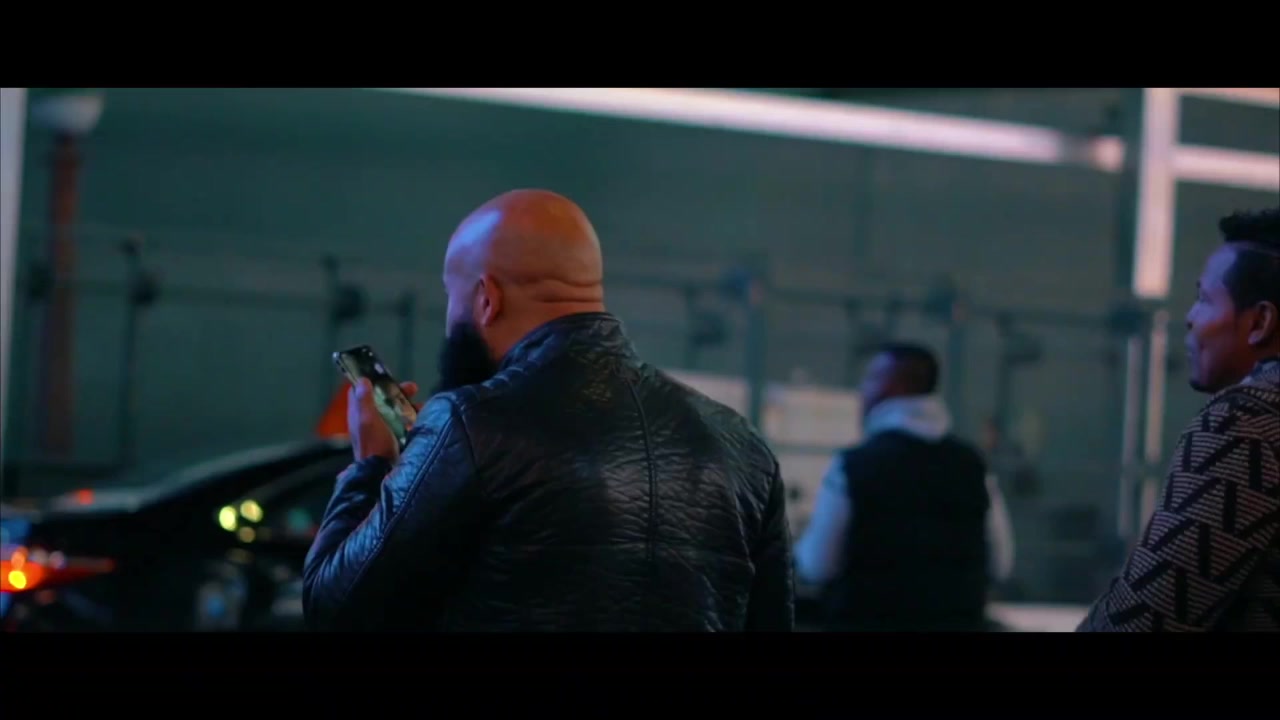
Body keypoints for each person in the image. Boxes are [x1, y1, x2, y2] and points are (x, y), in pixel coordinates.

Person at [302, 189, 794, 631]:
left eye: (454, 298)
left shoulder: (470, 423)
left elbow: (334, 606)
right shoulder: (742, 445)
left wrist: (370, 466)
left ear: (486, 300)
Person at [1079, 208, 1280, 632]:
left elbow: (1146, 620)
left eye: (1205, 299)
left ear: (1261, 321)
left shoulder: (1249, 422)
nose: (1190, 317)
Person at [793, 343, 1012, 631]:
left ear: (893, 385)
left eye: (871, 379)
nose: (863, 391)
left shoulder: (854, 465)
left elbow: (817, 564)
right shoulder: (974, 467)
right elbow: (1001, 563)